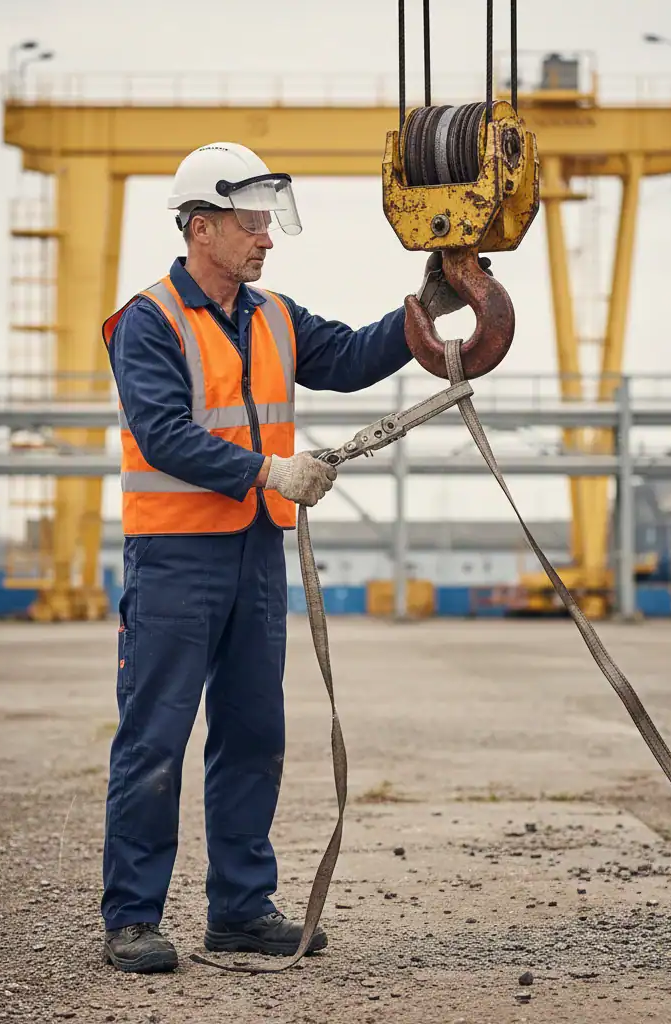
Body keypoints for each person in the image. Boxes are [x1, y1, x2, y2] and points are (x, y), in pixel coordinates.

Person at [98, 141, 480, 973]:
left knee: (253, 732)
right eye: (249, 222)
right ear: (200, 228)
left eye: (268, 221)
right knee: (155, 738)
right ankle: (131, 918)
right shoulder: (149, 321)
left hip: (255, 555)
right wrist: (267, 471)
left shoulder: (273, 315)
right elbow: (163, 434)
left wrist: (429, 306)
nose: (265, 237)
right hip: (174, 558)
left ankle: (239, 909)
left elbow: (348, 358)